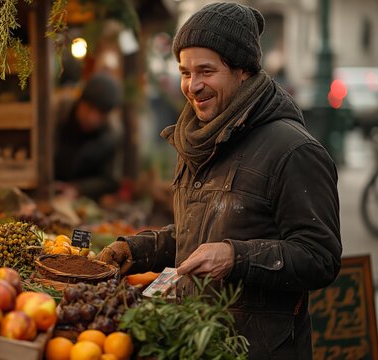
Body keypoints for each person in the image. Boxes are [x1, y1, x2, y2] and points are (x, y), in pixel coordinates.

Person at [97, 3, 342, 359]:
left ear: (243, 71)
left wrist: (235, 256)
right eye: (184, 72)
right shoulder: (199, 138)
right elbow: (200, 235)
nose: (193, 86)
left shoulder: (294, 150)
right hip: (199, 340)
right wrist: (139, 250)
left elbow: (320, 257)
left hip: (257, 350)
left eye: (206, 71)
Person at [54, 73, 123, 200]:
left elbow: (110, 180)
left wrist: (78, 189)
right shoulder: (58, 114)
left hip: (83, 201)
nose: (92, 118)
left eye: (101, 113)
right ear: (80, 101)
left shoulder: (111, 134)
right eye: (89, 108)